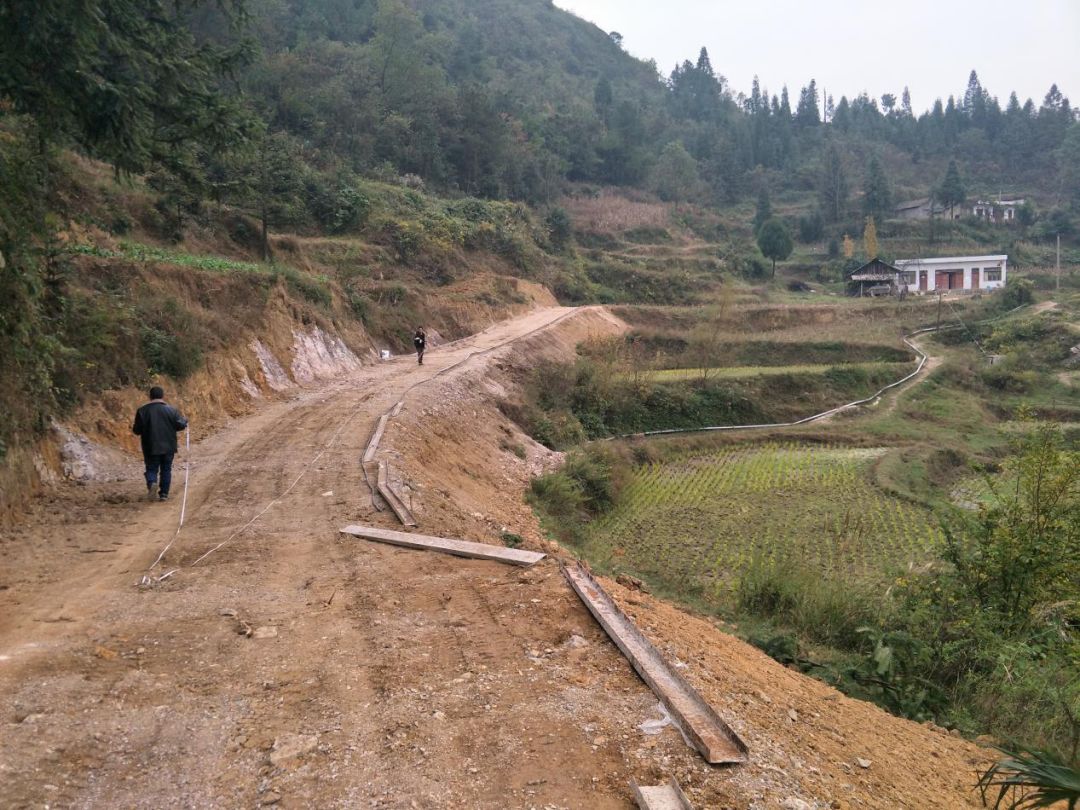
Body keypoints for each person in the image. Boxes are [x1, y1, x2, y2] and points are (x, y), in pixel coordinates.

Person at [132, 386, 188, 501]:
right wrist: (185, 421)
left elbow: (137, 430)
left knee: (151, 469)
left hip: (150, 446)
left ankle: (152, 482)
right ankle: (164, 494)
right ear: (163, 396)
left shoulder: (142, 411)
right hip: (169, 446)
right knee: (166, 469)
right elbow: (180, 425)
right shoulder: (171, 410)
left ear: (150, 396)